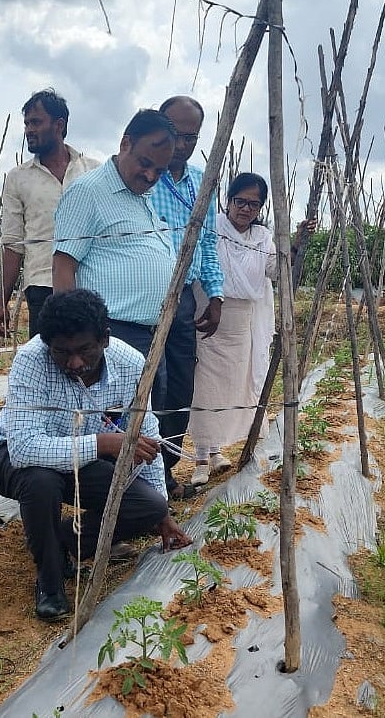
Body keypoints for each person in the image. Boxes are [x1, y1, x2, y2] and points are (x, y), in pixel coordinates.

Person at [0, 289, 193, 622]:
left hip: (77, 461)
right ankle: (50, 584)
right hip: (12, 459)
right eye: (62, 353)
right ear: (46, 344)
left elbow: (146, 433)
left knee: (149, 506)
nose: (75, 363)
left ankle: (65, 540)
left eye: (85, 350)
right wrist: (102, 443)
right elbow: (23, 449)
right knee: (41, 480)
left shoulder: (131, 364)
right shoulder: (31, 360)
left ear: (105, 339)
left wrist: (163, 514)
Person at [52, 110, 176, 462]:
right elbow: (63, 266)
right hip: (114, 334)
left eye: (160, 171)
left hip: (152, 333)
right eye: (144, 163)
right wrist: (72, 338)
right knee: (116, 427)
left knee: (148, 419)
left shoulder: (144, 200)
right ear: (125, 143)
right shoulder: (88, 193)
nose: (150, 175)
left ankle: (148, 498)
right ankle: (118, 506)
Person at [188, 173, 315, 485]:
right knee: (205, 387)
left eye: (253, 204)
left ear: (261, 207)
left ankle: (217, 450)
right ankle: (201, 457)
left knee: (234, 385)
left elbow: (274, 270)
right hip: (211, 316)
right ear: (228, 200)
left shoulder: (262, 237)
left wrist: (296, 244)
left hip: (243, 322)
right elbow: (203, 265)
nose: (245, 209)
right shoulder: (213, 228)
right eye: (240, 201)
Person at [150, 95, 224, 498]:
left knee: (180, 386)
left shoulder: (202, 181)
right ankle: (148, 480)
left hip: (183, 301)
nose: (181, 144)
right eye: (175, 134)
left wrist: (215, 296)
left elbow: (208, 244)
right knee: (150, 386)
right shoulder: (143, 176)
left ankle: (165, 470)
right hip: (145, 296)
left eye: (190, 137)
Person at [0, 89, 99, 340]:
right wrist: (2, 302)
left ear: (59, 125)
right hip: (42, 286)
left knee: (91, 361)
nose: (29, 130)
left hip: (90, 283)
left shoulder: (93, 172)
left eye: (36, 122)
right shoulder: (18, 178)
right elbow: (13, 244)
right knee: (49, 363)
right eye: (27, 123)